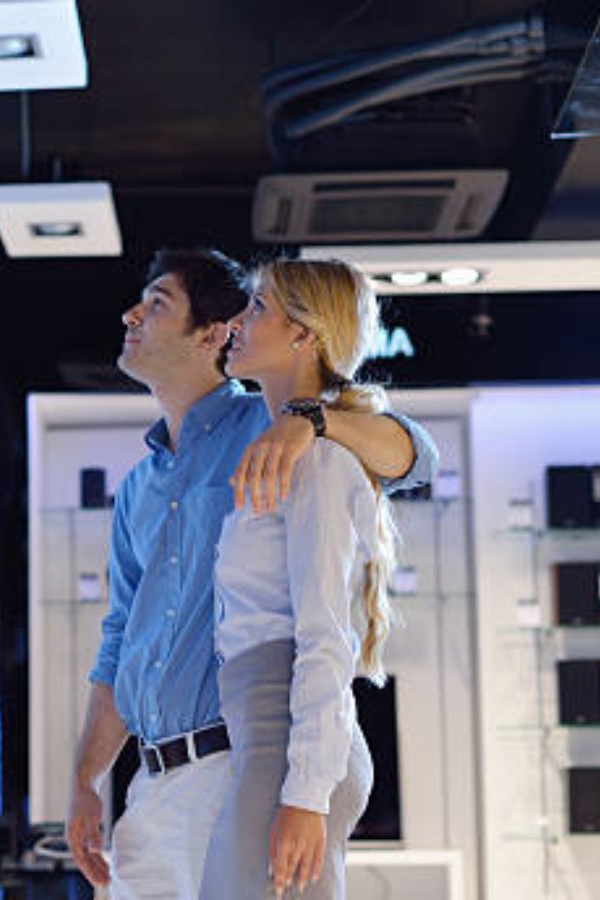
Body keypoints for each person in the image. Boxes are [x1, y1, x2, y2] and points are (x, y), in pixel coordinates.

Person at [66, 249, 437, 900]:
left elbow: (418, 456)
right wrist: (84, 780)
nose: (130, 314)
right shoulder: (136, 489)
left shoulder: (270, 427)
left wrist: (310, 420)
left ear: (211, 334)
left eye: (156, 303)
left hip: (235, 759)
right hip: (150, 781)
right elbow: (121, 639)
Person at [202, 258, 397, 899]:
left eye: (257, 307)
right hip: (273, 740)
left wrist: (307, 795)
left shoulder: (318, 459)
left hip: (287, 748)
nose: (237, 321)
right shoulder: (282, 447)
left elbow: (324, 636)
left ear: (303, 335)